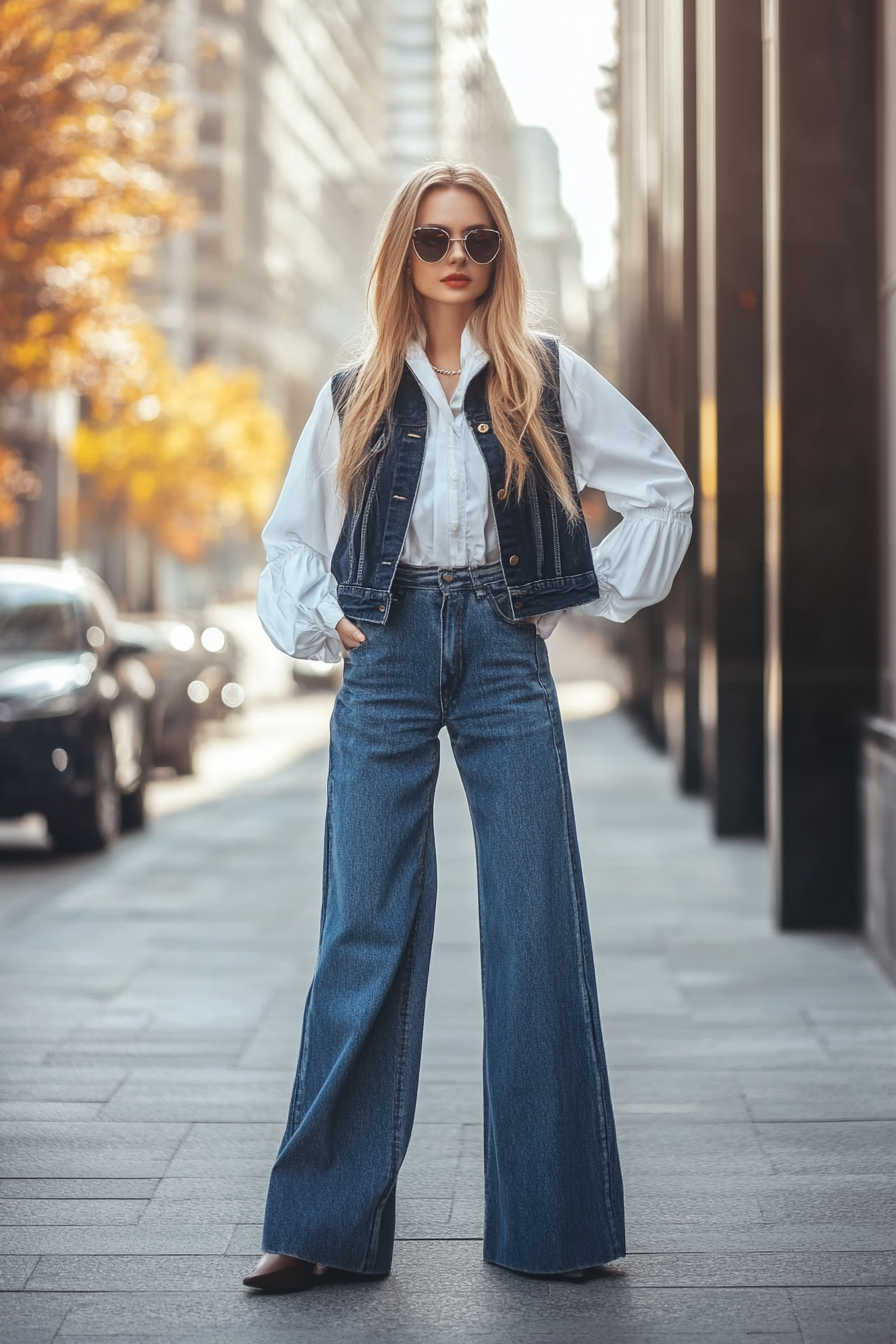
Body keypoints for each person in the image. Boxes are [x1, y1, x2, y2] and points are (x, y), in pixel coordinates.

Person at [244, 162, 693, 1294]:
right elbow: (290, 542)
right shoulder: (353, 388)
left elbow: (665, 494)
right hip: (384, 650)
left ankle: (554, 1225)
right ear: (402, 251)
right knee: (362, 928)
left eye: (478, 239)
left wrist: (569, 587)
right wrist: (325, 625)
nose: (456, 256)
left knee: (534, 922)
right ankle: (318, 1226)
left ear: (500, 253)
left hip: (502, 647)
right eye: (435, 237)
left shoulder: (545, 378)